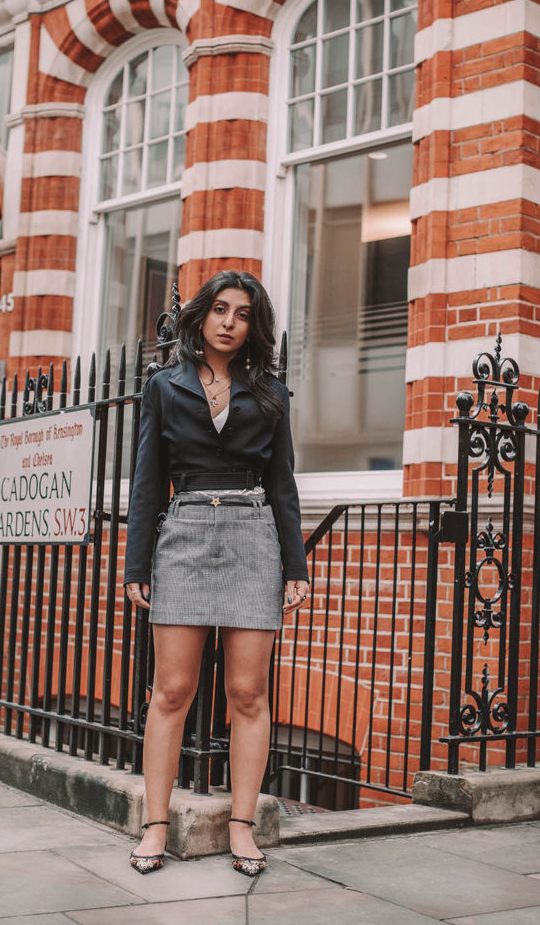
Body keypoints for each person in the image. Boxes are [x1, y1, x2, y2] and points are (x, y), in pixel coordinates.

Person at [124, 269, 310, 876]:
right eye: (221, 309)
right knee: (173, 690)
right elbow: (148, 480)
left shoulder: (272, 390)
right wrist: (137, 561)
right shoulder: (163, 386)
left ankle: (242, 826)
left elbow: (282, 483)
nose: (230, 321)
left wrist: (294, 563)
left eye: (244, 313)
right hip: (181, 534)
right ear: (201, 316)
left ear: (254, 325)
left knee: (247, 694)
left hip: (253, 535)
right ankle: (155, 826)